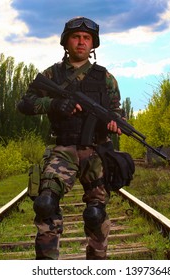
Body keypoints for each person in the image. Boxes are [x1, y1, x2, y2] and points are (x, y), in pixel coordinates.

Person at [17, 16, 124, 260]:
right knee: (45, 203)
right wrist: (54, 104)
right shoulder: (51, 75)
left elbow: (117, 112)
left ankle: (97, 264)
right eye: (76, 37)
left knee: (96, 214)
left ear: (93, 44)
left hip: (96, 151)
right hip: (62, 149)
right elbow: (24, 104)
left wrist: (115, 123)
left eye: (86, 38)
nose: (81, 42)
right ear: (66, 42)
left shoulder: (106, 78)